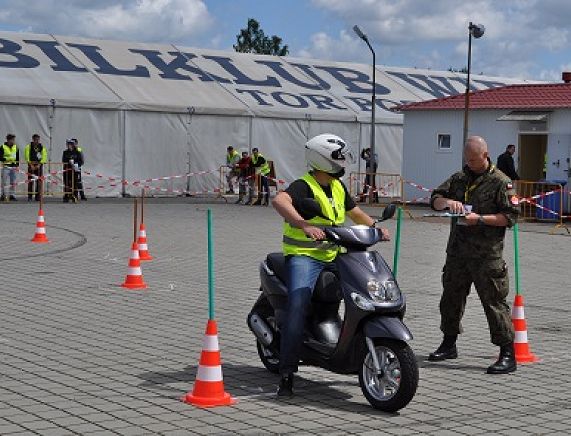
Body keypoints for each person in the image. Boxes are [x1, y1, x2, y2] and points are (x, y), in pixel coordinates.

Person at [272, 133, 390, 397]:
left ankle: (346, 344)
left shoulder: (337, 186)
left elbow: (355, 212)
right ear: (322, 159)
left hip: (335, 255)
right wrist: (304, 224)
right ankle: (287, 370)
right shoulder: (303, 185)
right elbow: (279, 200)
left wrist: (375, 227)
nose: (342, 162)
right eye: (338, 158)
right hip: (304, 256)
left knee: (363, 290)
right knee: (298, 304)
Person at [428, 136, 519, 375]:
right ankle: (449, 344)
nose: (471, 164)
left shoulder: (501, 182)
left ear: (485, 155)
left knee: (494, 303)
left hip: (486, 255)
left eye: (474, 160)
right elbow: (434, 199)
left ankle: (507, 353)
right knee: (451, 298)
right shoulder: (459, 178)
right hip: (457, 252)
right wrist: (447, 202)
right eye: (467, 159)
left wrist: (479, 218)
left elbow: (510, 217)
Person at [25, 134, 48, 201]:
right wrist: (30, 165)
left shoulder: (41, 147)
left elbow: (44, 156)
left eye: (38, 139)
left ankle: (38, 196)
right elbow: (27, 156)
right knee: (30, 181)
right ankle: (30, 196)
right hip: (31, 165)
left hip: (39, 166)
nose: (37, 141)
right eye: (35, 140)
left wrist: (39, 164)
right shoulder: (28, 147)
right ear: (33, 139)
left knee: (39, 181)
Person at [0, 134, 20, 201]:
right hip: (6, 166)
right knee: (4, 181)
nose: (14, 141)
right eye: (13, 140)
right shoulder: (2, 147)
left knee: (13, 182)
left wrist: (17, 165)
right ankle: (3, 195)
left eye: (14, 140)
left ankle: (12, 195)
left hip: (13, 167)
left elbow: (17, 157)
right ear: (8, 140)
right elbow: (0, 157)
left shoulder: (16, 147)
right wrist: (7, 159)